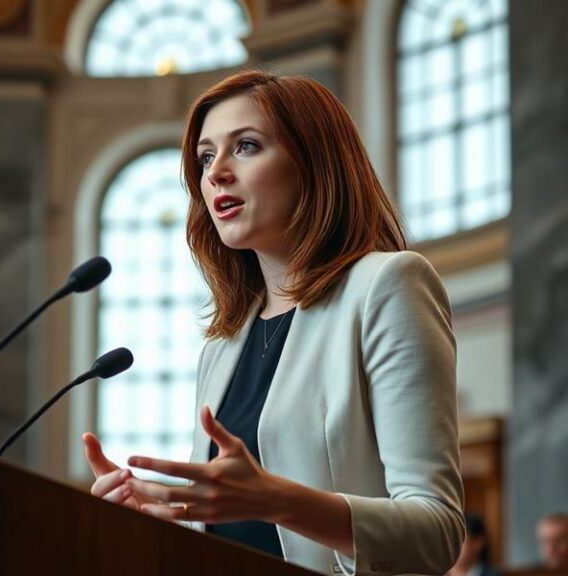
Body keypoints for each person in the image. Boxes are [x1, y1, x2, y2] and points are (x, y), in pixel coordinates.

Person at [83, 70, 464, 575]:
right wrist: (155, 520)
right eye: (204, 157)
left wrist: (276, 499)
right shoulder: (223, 343)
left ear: (314, 163)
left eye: (245, 146)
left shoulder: (387, 285)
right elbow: (238, 532)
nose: (216, 171)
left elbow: (436, 532)